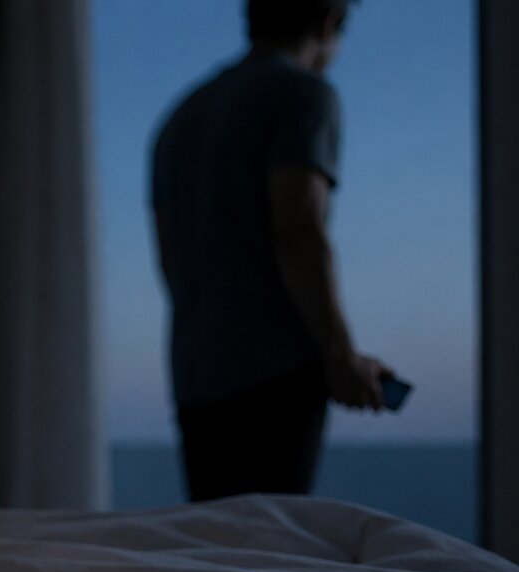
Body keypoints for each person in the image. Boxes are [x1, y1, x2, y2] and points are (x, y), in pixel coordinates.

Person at [151, 0, 393, 501]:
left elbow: (171, 260)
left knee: (221, 553)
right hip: (274, 377)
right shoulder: (304, 95)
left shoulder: (180, 117)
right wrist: (339, 353)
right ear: (328, 22)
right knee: (274, 551)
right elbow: (299, 228)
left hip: (195, 372)